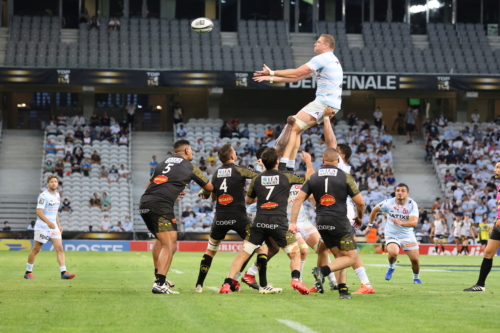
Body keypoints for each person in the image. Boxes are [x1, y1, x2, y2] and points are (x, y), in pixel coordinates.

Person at [219, 147, 312, 295]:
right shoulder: (286, 176)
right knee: (295, 254)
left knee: (242, 254)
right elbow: (309, 178)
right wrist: (308, 162)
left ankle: (226, 283)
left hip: (260, 222)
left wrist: (263, 196)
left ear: (263, 162)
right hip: (278, 222)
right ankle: (295, 280)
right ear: (277, 161)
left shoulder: (256, 178)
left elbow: (248, 200)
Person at [253, 34, 342, 172]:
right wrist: (270, 77)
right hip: (331, 103)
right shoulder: (331, 60)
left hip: (324, 102)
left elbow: (295, 73)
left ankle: (285, 165)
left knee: (293, 125)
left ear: (325, 45)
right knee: (297, 129)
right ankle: (289, 165)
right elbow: (297, 78)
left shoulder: (323, 58)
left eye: (318, 42)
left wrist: (272, 72)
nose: (315, 44)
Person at [140, 139, 214, 294]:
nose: (192, 153)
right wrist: (206, 193)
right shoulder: (190, 166)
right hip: (161, 205)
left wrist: (172, 190)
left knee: (162, 240)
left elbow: (149, 186)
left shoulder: (161, 163)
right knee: (170, 244)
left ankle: (159, 276)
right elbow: (209, 187)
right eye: (191, 150)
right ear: (187, 150)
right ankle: (159, 284)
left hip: (145, 203)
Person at [292, 148, 366, 299]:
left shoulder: (314, 177)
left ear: (323, 161)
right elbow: (360, 203)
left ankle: (343, 290)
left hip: (321, 222)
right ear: (338, 161)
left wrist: (292, 221)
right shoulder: (344, 176)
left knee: (341, 257)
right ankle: (323, 271)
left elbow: (298, 199)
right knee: (351, 257)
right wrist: (359, 217)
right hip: (339, 221)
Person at [194, 144, 261, 293]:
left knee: (210, 251)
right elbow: (259, 177)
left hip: (220, 217)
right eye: (234, 152)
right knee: (258, 247)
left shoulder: (216, 173)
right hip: (239, 216)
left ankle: (199, 285)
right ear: (232, 157)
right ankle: (243, 280)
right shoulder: (240, 169)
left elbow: (213, 197)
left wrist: (204, 193)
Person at [365, 183, 422, 284]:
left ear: (407, 193)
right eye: (398, 190)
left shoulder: (412, 204)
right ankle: (391, 267)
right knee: (393, 253)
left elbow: (414, 222)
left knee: (415, 260)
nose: (400, 193)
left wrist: (401, 223)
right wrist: (370, 225)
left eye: (403, 190)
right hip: (392, 233)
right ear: (395, 192)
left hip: (407, 235)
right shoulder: (388, 203)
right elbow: (374, 210)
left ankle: (416, 278)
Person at [24, 175, 76, 280]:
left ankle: (63, 272)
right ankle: (28, 272)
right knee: (36, 249)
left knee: (60, 248)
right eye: (51, 181)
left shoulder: (57, 195)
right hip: (42, 226)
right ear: (47, 183)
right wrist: (48, 222)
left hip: (53, 226)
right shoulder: (43, 196)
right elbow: (38, 212)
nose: (54, 183)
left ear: (58, 184)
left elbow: (55, 211)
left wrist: (59, 225)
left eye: (55, 181)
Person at [463, 162, 500, 291]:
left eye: (498, 167)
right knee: (488, 253)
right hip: (498, 225)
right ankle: (480, 285)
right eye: (495, 167)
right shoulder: (499, 186)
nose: (495, 170)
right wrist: (496, 220)